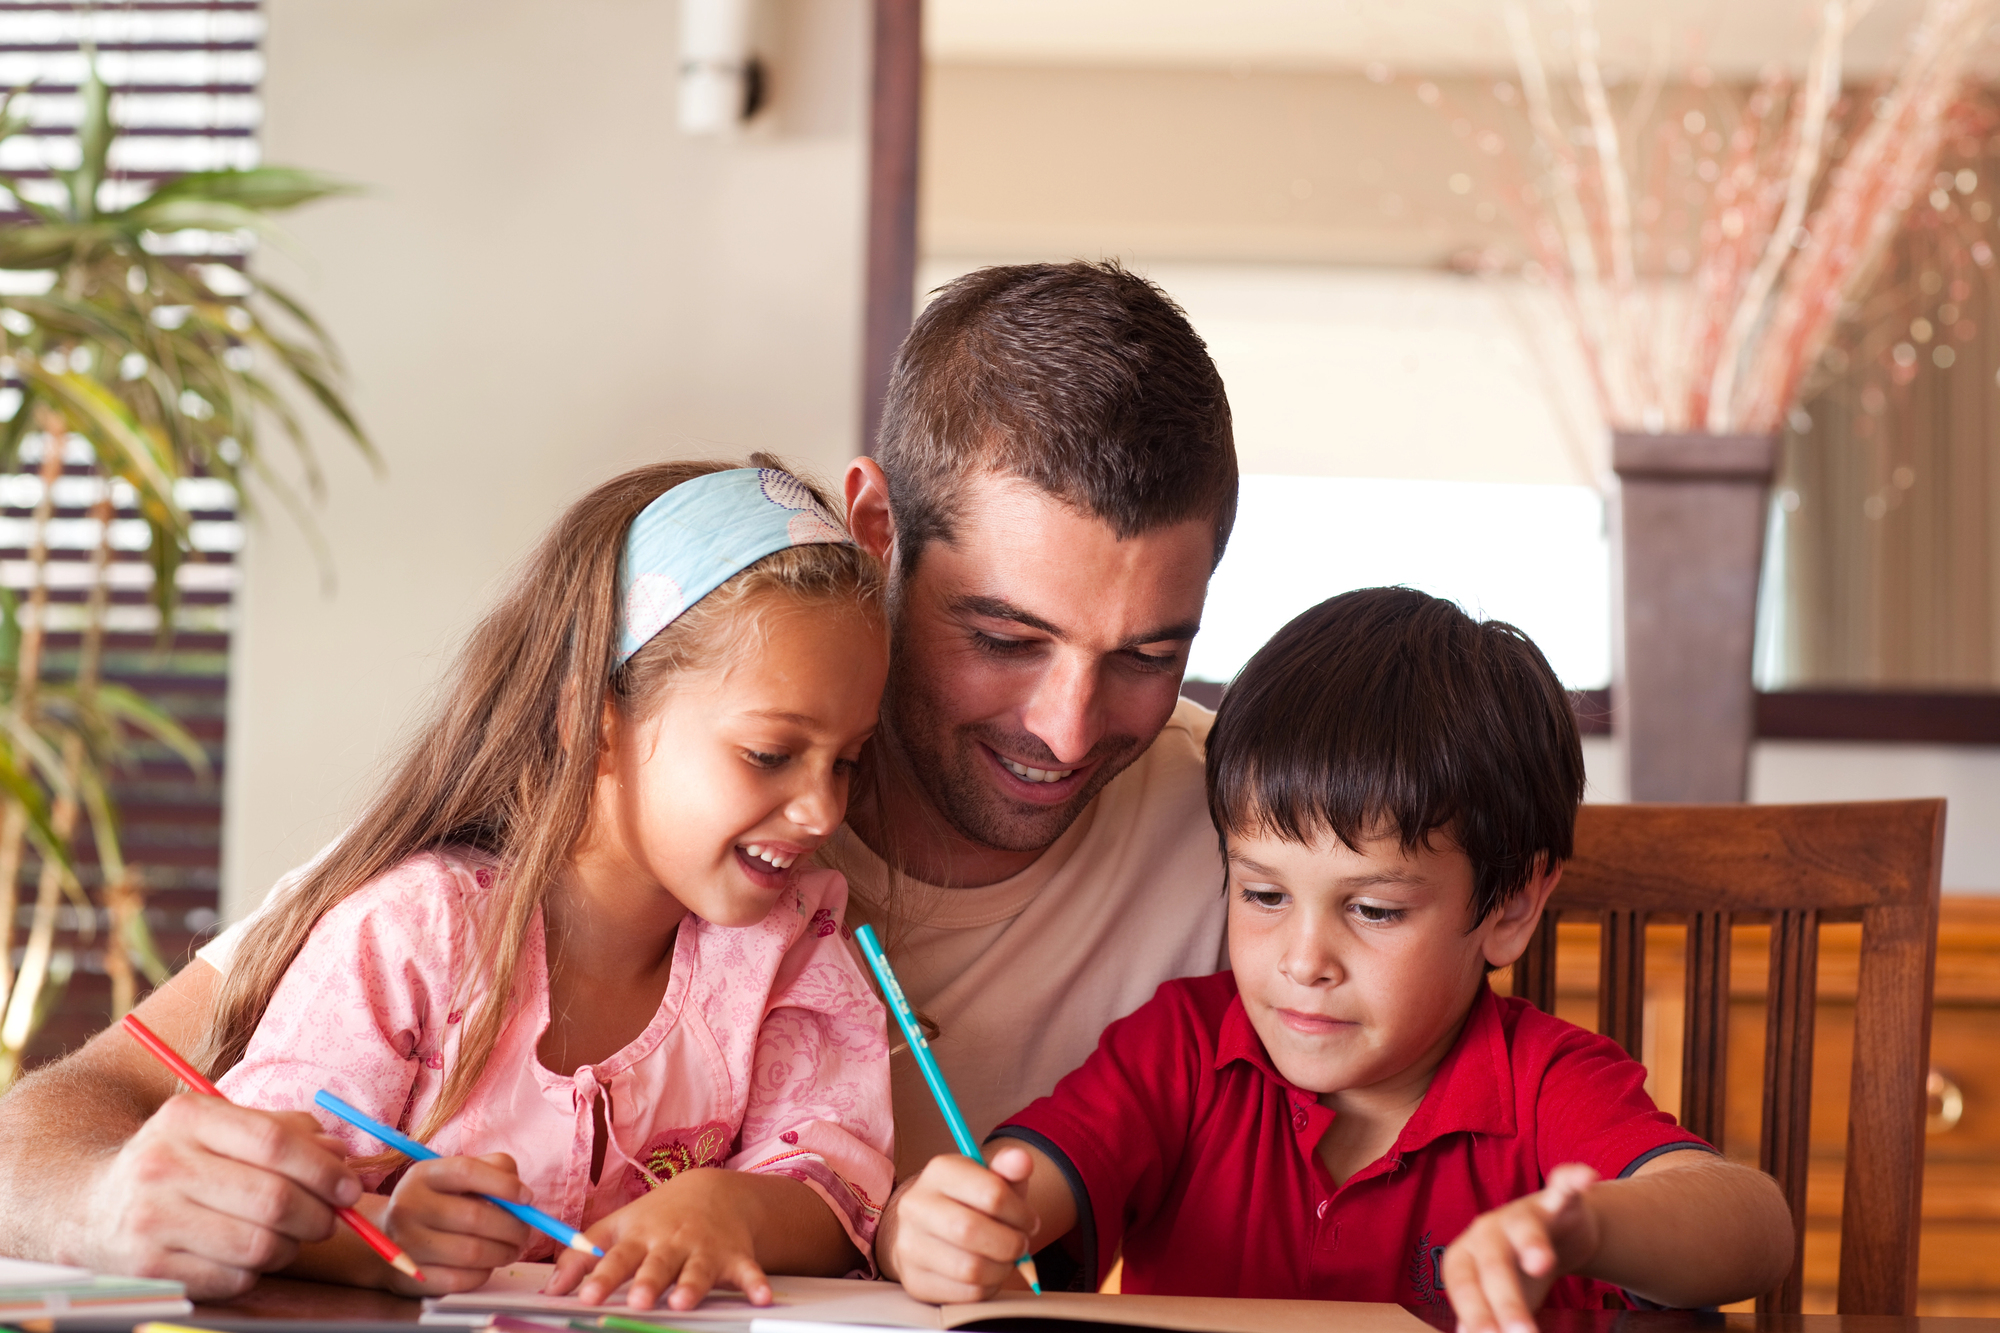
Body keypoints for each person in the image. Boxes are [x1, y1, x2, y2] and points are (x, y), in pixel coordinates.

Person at [0, 261, 1238, 1296]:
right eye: (1003, 637)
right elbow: (47, 1132)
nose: (1068, 728)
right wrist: (121, 1202)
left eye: (1145, 656)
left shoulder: (1251, 847)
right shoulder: (483, 872)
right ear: (875, 533)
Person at [885, 589, 1796, 1326]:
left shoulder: (1544, 1086)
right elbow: (1022, 1185)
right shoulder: (1183, 1052)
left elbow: (1752, 1226)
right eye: (1264, 894)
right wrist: (952, 1222)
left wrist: (1588, 1226)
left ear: (1512, 906)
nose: (1304, 958)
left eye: (1372, 908)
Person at [184, 460, 893, 1307]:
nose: (822, 810)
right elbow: (245, 1185)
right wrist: (383, 1243)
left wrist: (732, 1206)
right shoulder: (413, 935)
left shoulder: (789, 945)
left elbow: (839, 1186)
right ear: (593, 726)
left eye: (846, 761)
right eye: (771, 754)